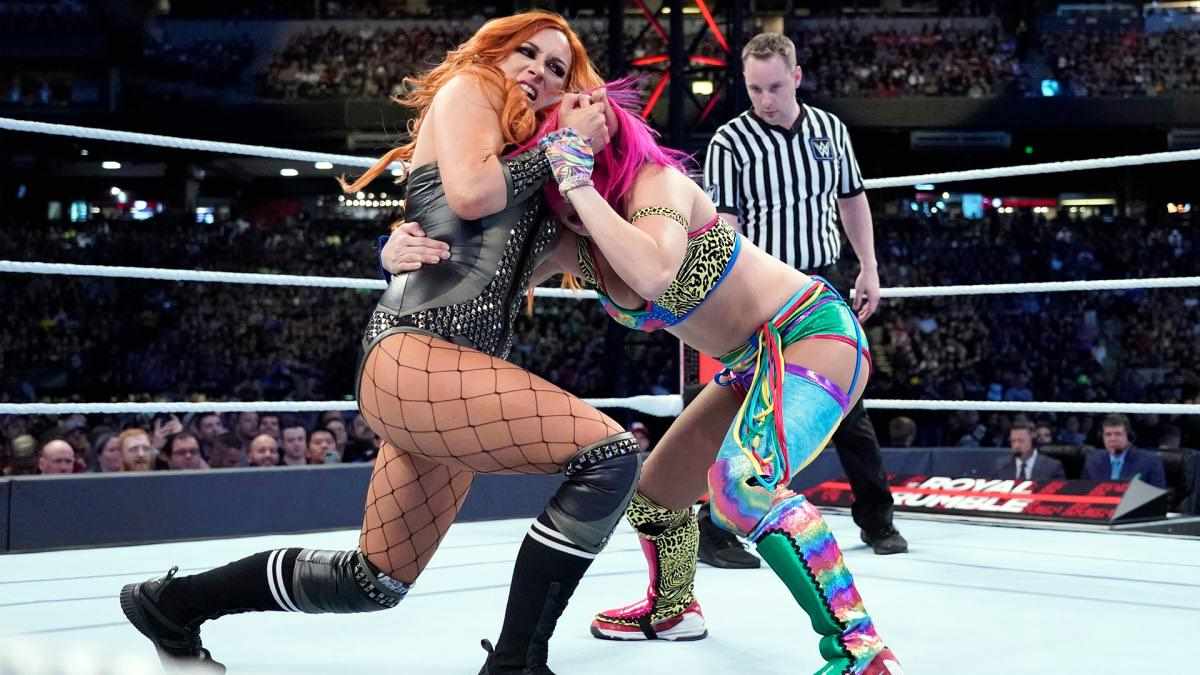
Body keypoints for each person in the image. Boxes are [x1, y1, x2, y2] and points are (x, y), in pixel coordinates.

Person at [119, 13, 637, 675]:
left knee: (373, 580)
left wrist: (638, 211)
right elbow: (470, 195)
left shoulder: (541, 181)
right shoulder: (473, 88)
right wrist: (562, 150)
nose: (536, 69)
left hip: (455, 380)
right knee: (610, 455)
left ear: (569, 91)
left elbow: (621, 284)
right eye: (525, 52)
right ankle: (516, 663)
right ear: (496, 53)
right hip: (413, 352)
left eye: (556, 67)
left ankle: (173, 603)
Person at [392, 83, 900, 674]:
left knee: (742, 484)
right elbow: (470, 276)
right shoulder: (569, 232)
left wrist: (578, 183)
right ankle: (672, 609)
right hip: (749, 361)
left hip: (812, 334)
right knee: (657, 496)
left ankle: (861, 649)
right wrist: (399, 250)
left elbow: (655, 272)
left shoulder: (656, 186)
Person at [704, 33, 906, 558]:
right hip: (764, 288)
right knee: (753, 403)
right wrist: (733, 300)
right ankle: (715, 525)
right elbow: (726, 228)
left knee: (847, 400)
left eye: (774, 87)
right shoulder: (730, 142)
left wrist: (869, 266)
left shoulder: (829, 130)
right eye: (754, 89)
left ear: (796, 77)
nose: (765, 100)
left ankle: (877, 520)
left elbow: (852, 199)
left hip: (824, 282)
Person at [1083, 414, 1167, 488]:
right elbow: (1084, 493)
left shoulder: (1150, 461)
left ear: (1129, 436)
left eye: (1118, 434)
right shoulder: (1092, 460)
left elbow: (1158, 498)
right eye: (1108, 434)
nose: (1112, 439)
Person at [993, 420, 1064, 481]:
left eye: (1021, 441)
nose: (1016, 445)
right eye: (1013, 441)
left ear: (1032, 439)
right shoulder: (1000, 466)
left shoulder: (1052, 467)